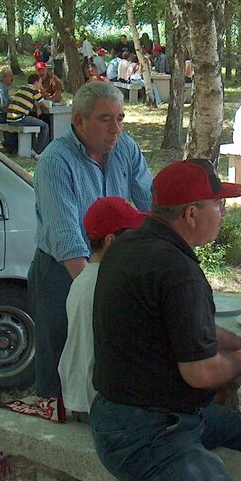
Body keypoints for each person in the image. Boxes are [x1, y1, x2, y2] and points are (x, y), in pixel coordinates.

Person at [89, 159, 241, 481]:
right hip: (147, 433)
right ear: (192, 214)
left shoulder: (131, 246)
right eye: (217, 205)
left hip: (120, 415)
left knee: (235, 428)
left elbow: (188, 330)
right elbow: (200, 373)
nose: (223, 213)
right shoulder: (177, 269)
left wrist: (236, 341)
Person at [57, 196, 188, 481]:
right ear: (114, 242)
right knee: (172, 416)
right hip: (98, 404)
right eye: (134, 234)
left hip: (76, 395)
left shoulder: (84, 278)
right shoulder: (116, 282)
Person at [29, 82, 152, 408]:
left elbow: (150, 208)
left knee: (103, 359)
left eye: (121, 118)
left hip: (110, 265)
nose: (116, 129)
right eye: (105, 119)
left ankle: (99, 421)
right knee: (61, 359)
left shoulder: (126, 148)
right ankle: (53, 431)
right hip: (62, 271)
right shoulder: (56, 161)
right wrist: (99, 296)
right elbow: (67, 239)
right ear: (78, 120)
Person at [6, 72, 50, 154]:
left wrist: (37, 107)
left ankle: (33, 148)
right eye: (40, 82)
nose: (41, 85)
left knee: (33, 124)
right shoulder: (34, 91)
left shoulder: (22, 88)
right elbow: (46, 105)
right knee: (45, 126)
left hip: (10, 118)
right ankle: (39, 151)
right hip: (19, 118)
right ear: (35, 82)